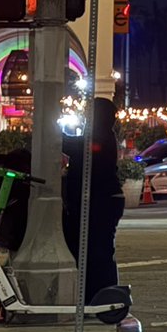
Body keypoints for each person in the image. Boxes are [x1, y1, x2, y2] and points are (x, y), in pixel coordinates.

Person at [62, 98, 125, 303]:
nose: (85, 116)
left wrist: (54, 135)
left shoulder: (101, 137)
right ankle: (96, 294)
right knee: (92, 247)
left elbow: (78, 148)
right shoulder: (100, 135)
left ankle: (102, 296)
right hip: (99, 199)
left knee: (97, 249)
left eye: (90, 112)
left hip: (101, 201)